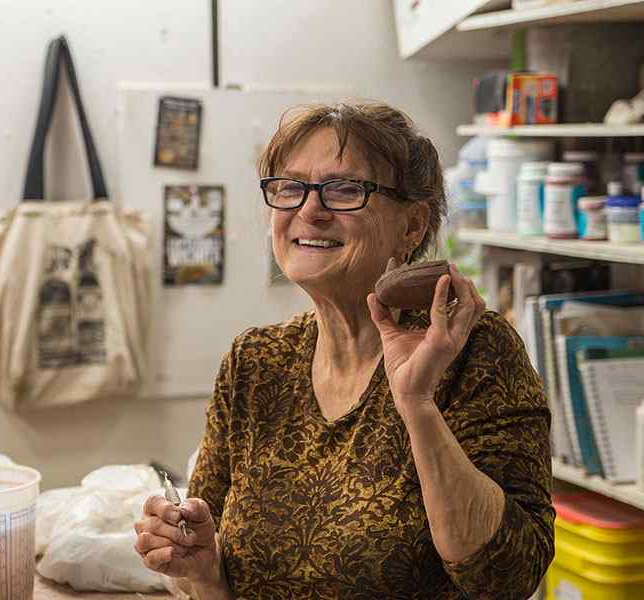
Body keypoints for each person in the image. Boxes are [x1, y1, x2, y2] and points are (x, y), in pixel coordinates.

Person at [134, 102, 554, 599]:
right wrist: (201, 570)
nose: (309, 210)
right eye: (290, 187)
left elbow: (506, 580)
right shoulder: (255, 361)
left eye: (344, 189)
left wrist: (417, 405)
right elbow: (217, 575)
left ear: (413, 225)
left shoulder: (471, 348)